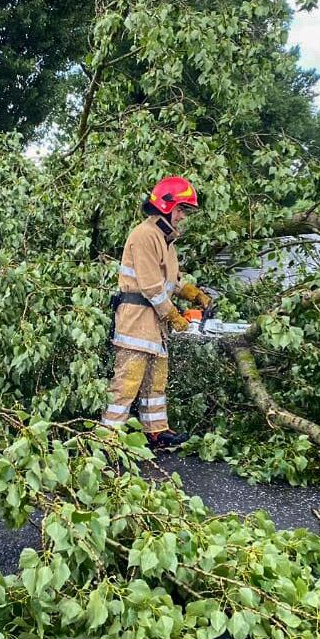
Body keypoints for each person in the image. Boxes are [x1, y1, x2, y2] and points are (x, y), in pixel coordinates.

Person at [101, 176, 213, 449]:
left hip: (155, 327)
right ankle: (107, 438)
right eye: (181, 210)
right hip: (137, 322)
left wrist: (191, 292)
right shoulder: (145, 235)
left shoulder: (166, 241)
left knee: (156, 383)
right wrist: (174, 316)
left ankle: (156, 431)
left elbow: (168, 282)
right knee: (126, 383)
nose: (183, 217)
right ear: (166, 206)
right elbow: (151, 287)